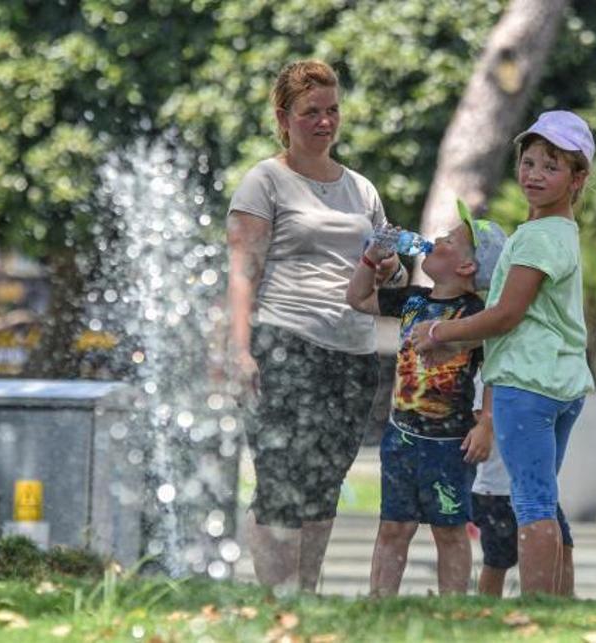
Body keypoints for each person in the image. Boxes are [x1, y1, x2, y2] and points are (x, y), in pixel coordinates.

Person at [226, 60, 406, 593]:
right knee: (281, 479)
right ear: (284, 117)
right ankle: (275, 601)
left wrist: (389, 263)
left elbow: (383, 275)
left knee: (325, 482)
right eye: (311, 112)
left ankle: (307, 598)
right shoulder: (265, 180)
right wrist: (240, 351)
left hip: (351, 355)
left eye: (332, 110)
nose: (325, 122)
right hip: (285, 341)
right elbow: (242, 274)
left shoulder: (362, 189)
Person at [411, 110, 596, 596]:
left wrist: (439, 334)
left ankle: (535, 611)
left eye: (551, 167)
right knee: (544, 499)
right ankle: (559, 604)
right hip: (562, 384)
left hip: (526, 388)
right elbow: (524, 323)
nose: (534, 174)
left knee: (531, 503)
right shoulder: (561, 235)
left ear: (578, 178)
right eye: (529, 162)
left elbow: (507, 315)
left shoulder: (537, 238)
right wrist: (460, 341)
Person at [346, 207, 505, 596]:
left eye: (448, 241)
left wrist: (486, 423)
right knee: (393, 527)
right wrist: (372, 257)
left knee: (449, 531)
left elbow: (497, 372)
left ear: (467, 267)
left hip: (450, 445)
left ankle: (453, 612)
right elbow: (358, 298)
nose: (434, 241)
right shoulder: (412, 300)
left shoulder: (477, 316)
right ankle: (379, 605)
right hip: (401, 438)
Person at [469, 373, 574, 597]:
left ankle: (562, 601)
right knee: (498, 560)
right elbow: (483, 419)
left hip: (534, 486)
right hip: (497, 489)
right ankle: (487, 605)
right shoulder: (489, 376)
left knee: (564, 545)